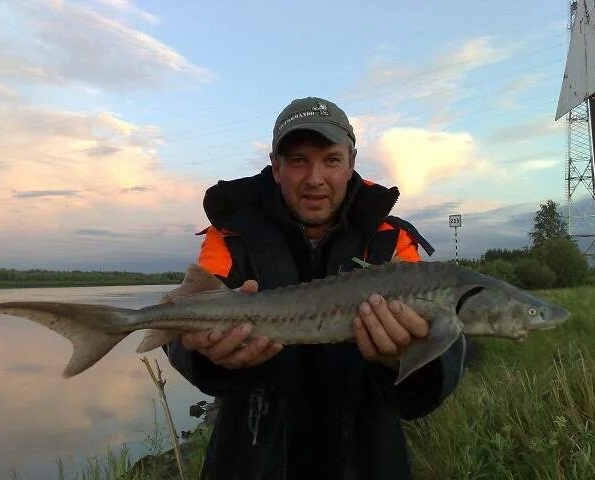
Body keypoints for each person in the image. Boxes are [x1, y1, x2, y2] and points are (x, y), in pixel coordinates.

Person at [164, 97, 465, 480]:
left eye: (331, 160)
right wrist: (208, 358)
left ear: (351, 163)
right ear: (276, 167)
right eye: (298, 160)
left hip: (366, 462)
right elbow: (179, 328)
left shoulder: (391, 240)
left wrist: (407, 358)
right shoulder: (230, 235)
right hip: (252, 463)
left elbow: (438, 368)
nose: (314, 178)